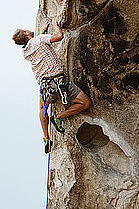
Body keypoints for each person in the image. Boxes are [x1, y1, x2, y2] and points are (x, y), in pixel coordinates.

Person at [12, 20, 91, 153]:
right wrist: (55, 25)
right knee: (85, 103)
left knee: (43, 109)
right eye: (26, 30)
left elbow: (36, 42)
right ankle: (59, 116)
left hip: (45, 86)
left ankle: (46, 137)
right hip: (59, 81)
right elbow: (58, 36)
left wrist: (42, 32)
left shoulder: (26, 52)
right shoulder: (40, 40)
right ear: (26, 34)